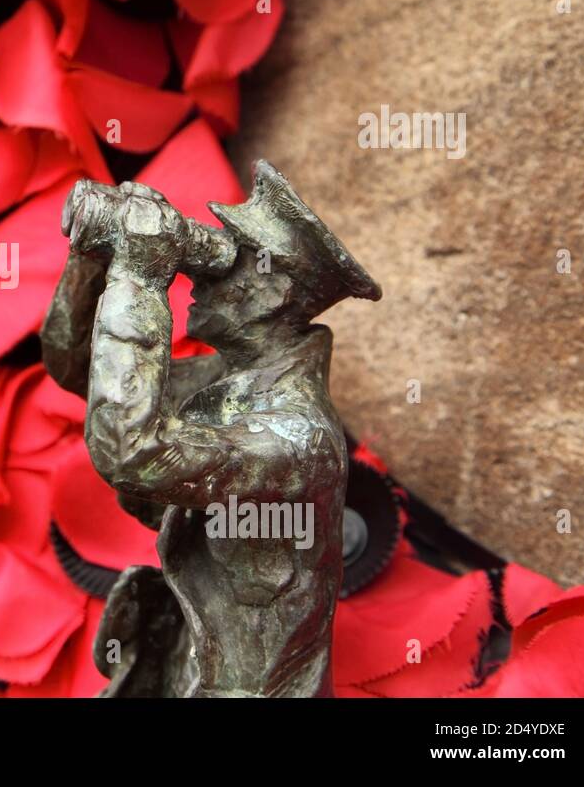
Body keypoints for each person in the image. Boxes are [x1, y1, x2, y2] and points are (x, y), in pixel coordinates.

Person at [42, 160, 381, 697]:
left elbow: (133, 452)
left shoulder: (298, 437)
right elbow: (76, 365)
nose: (200, 270)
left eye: (228, 259)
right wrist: (95, 256)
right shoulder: (227, 383)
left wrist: (143, 276)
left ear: (272, 295)